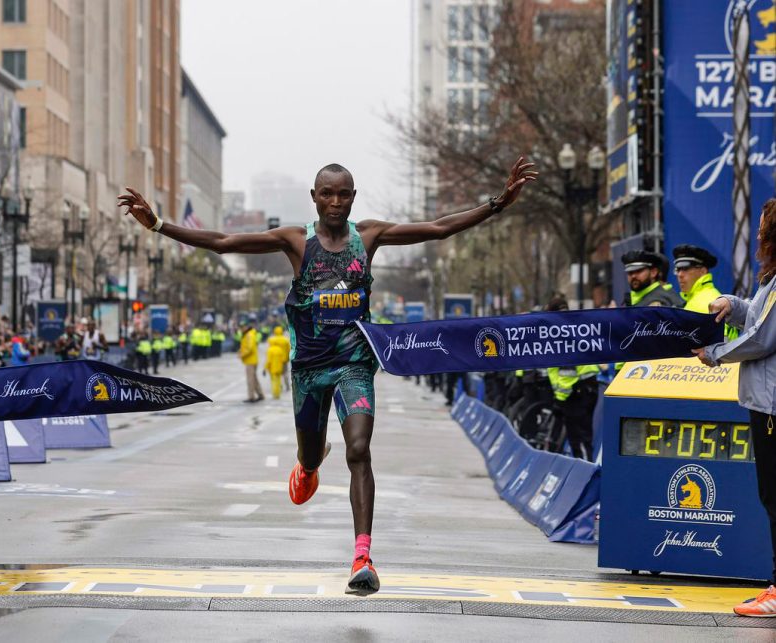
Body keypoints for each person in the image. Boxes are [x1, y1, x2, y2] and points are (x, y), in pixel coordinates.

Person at [119, 156, 536, 595]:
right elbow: (224, 241)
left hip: (355, 364)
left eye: (344, 194)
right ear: (314, 198)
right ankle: (309, 463)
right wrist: (159, 225)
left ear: (353, 198)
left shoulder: (369, 236)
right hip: (309, 371)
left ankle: (362, 557)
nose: (335, 202)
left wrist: (497, 204)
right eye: (327, 194)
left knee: (360, 450)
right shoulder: (295, 241)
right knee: (313, 457)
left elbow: (437, 228)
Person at [693, 198, 776, 617]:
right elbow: (758, 319)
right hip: (765, 402)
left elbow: (762, 339)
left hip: (773, 407)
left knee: (774, 495)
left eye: (765, 226)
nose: (759, 233)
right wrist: (732, 303)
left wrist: (716, 352)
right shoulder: (771, 280)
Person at [544, 295, 599, 460]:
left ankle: (585, 474)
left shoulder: (558, 334)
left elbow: (563, 375)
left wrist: (559, 399)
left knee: (577, 439)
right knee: (585, 436)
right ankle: (588, 466)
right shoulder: (579, 326)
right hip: (590, 387)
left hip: (576, 393)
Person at [239, 317, 265, 403]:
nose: (241, 328)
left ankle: (251, 397)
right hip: (252, 360)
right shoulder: (248, 334)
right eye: (241, 327)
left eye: (243, 326)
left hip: (250, 361)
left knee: (250, 379)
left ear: (247, 326)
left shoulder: (249, 335)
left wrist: (242, 354)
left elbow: (249, 348)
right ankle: (260, 394)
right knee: (254, 378)